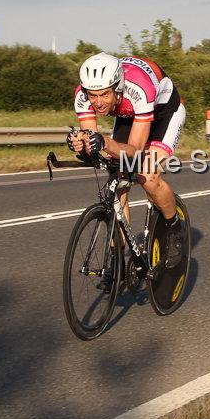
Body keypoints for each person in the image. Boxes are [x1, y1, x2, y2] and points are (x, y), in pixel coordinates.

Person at [67, 52, 186, 268]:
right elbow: (93, 143)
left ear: (118, 87)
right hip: (128, 114)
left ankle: (174, 226)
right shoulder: (83, 95)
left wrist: (104, 142)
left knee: (147, 176)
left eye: (104, 95)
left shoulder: (138, 89)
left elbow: (135, 151)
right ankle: (118, 256)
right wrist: (82, 145)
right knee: (118, 179)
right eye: (93, 96)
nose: (98, 102)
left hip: (164, 112)